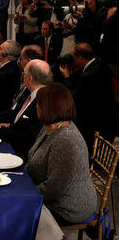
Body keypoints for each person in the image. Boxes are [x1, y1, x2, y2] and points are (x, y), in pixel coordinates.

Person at [25, 83, 97, 225]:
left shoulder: (65, 141)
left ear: (48, 108)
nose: (36, 107)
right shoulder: (50, 126)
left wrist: (24, 193)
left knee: (15, 215)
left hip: (68, 207)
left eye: (39, 104)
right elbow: (33, 158)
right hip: (52, 195)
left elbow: (53, 189)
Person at [0, 59, 52, 161]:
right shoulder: (29, 92)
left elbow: (31, 136)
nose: (22, 77)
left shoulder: (44, 101)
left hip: (21, 154)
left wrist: (0, 131)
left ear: (29, 78)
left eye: (23, 74)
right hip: (10, 140)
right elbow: (14, 114)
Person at [60, 43, 117, 148]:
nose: (73, 60)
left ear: (80, 58)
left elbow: (75, 97)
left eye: (74, 57)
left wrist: (67, 76)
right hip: (106, 117)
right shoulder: (100, 64)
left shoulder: (90, 75)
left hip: (96, 126)